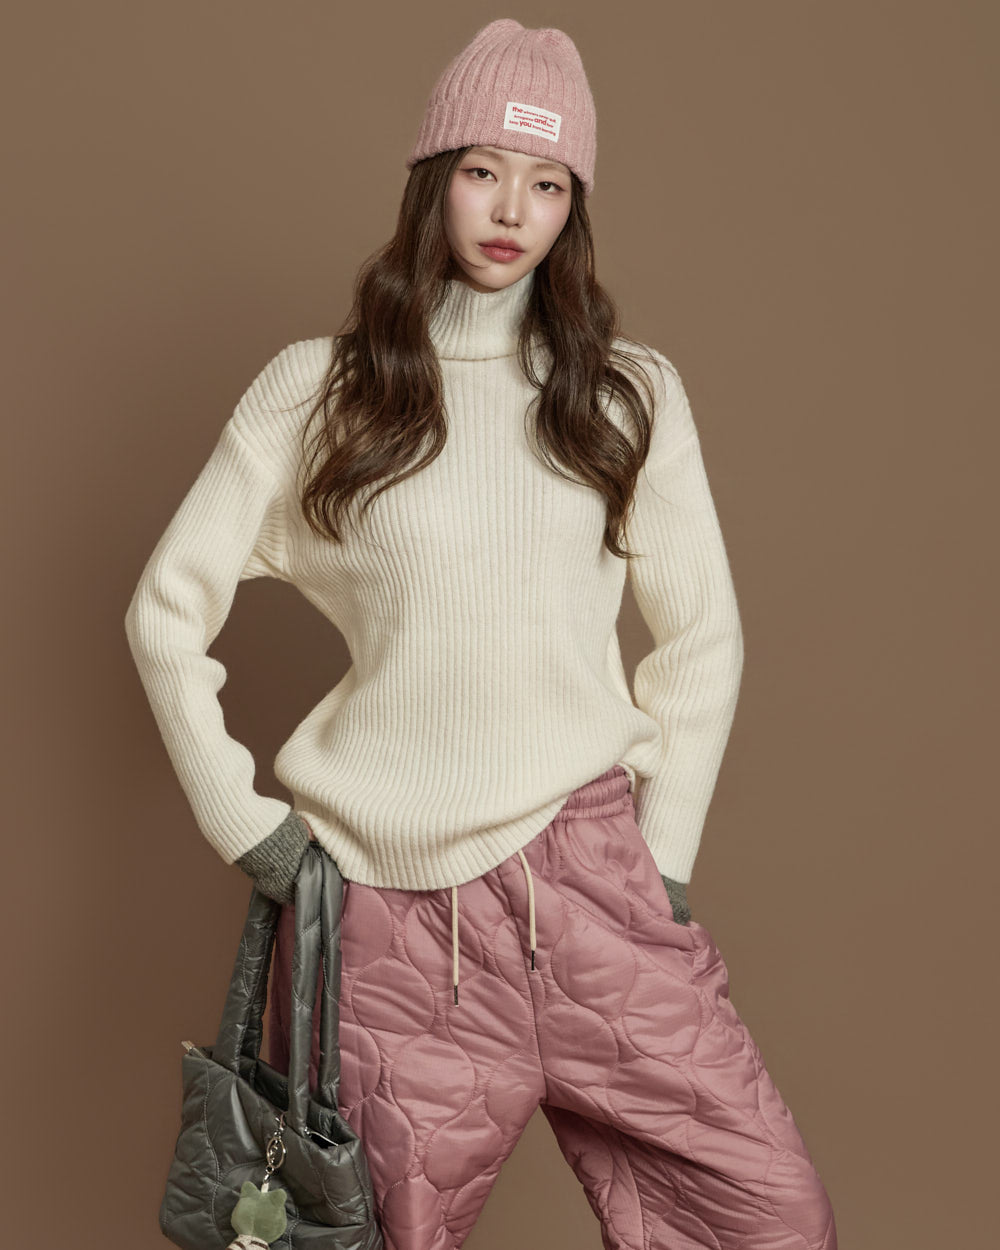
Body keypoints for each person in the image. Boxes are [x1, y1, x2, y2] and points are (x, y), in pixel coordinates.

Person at [125, 17, 837, 1250]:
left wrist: (659, 859)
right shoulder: (320, 390)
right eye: (483, 169)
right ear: (432, 179)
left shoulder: (625, 393)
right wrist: (250, 829)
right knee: (365, 1238)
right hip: (390, 920)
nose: (513, 208)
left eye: (549, 183)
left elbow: (701, 638)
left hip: (594, 885)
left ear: (574, 208)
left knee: (766, 1216)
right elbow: (164, 610)